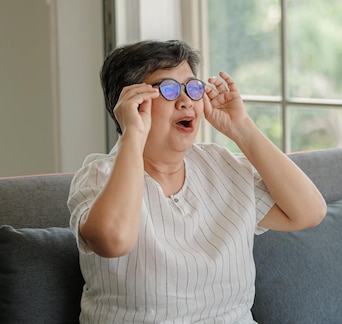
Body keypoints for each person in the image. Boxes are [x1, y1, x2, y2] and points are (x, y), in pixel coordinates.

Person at [67, 39, 326, 323]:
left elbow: (310, 212)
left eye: (192, 87)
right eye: (167, 89)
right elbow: (113, 241)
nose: (185, 101)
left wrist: (241, 128)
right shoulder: (98, 176)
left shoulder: (222, 165)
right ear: (132, 103)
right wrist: (133, 135)